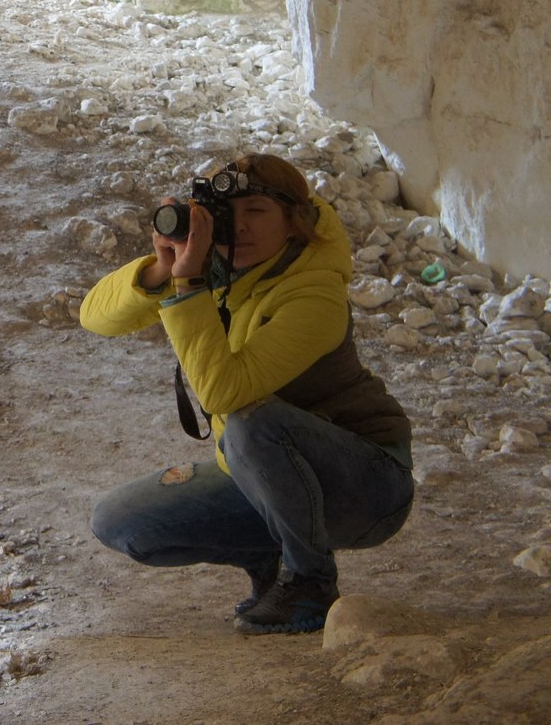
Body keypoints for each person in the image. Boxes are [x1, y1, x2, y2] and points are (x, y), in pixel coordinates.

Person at [81, 153, 414, 635]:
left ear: (295, 222)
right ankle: (271, 555)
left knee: (249, 421)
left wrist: (187, 286)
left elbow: (224, 394)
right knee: (121, 521)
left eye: (256, 210)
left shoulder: (314, 295)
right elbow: (93, 316)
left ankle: (310, 584)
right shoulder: (220, 272)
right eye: (227, 214)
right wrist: (160, 270)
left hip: (367, 486)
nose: (241, 226)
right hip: (267, 475)